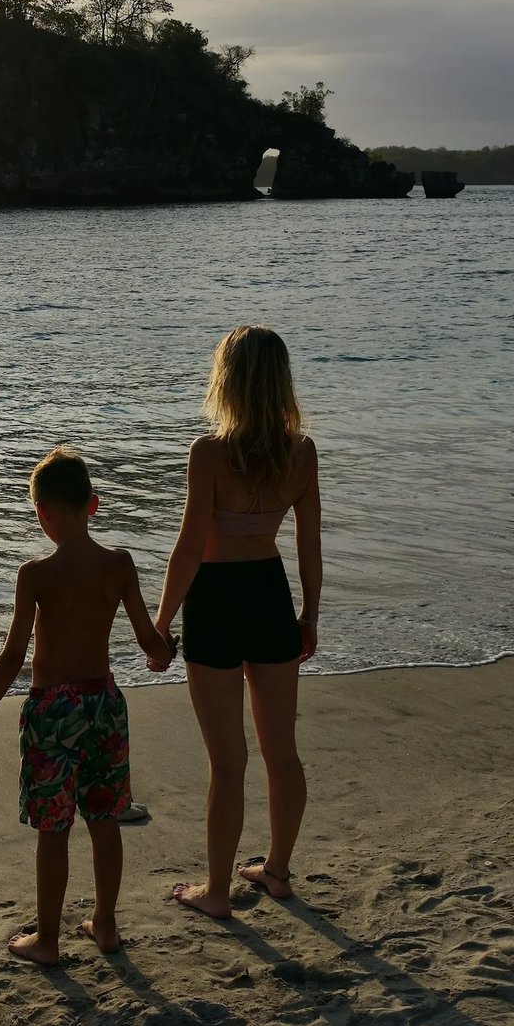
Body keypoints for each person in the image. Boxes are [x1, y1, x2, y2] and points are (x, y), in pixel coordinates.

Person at [0, 448, 177, 965]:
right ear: (93, 504)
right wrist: (170, 650)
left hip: (52, 711)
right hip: (103, 703)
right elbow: (150, 641)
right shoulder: (118, 564)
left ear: (41, 513)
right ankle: (106, 924)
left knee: (53, 829)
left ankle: (48, 939)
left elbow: (13, 656)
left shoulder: (34, 574)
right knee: (104, 818)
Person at [152, 326, 322, 920]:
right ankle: (276, 871)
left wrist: (160, 622)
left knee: (228, 764)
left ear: (227, 381)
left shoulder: (209, 453)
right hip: (270, 596)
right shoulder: (301, 453)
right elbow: (308, 546)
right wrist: (309, 615)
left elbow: (190, 546)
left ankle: (219, 891)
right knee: (283, 753)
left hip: (217, 602)